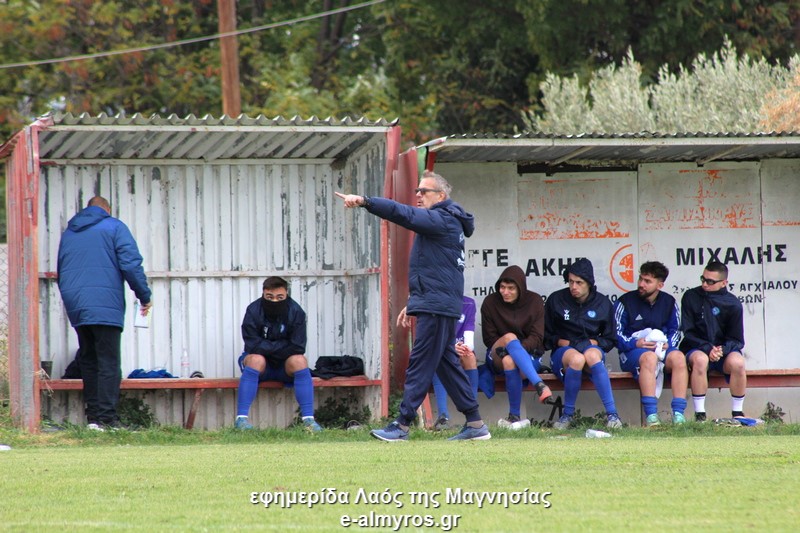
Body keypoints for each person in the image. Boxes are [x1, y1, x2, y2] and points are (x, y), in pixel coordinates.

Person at [336, 170, 490, 441]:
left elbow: (403, 214)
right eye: (417, 190)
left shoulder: (442, 219)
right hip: (436, 303)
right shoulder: (444, 221)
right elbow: (436, 270)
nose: (418, 195)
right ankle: (475, 424)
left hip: (437, 306)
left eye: (424, 191)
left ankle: (402, 424)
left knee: (419, 363)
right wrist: (414, 302)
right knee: (446, 365)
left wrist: (365, 201)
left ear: (440, 196)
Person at [57, 196, 152, 430]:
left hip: (77, 305)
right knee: (108, 362)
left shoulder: (69, 233)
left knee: (89, 360)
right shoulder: (114, 227)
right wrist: (144, 296)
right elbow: (131, 265)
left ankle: (93, 420)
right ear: (107, 209)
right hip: (104, 303)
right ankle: (107, 419)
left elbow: (62, 269)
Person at [544, 258, 623, 430]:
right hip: (564, 352)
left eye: (579, 282)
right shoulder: (556, 300)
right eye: (571, 281)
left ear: (589, 283)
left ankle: (613, 415)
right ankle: (567, 415)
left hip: (591, 349)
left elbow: (611, 339)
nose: (573, 286)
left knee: (592, 355)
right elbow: (545, 336)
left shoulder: (602, 303)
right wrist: (561, 341)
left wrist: (594, 342)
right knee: (577, 359)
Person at [235, 276, 322, 431]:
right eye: (270, 297)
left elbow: (298, 346)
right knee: (255, 359)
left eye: (279, 297)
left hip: (284, 366)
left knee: (300, 361)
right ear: (263, 293)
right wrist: (281, 347)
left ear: (286, 294)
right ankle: (241, 420)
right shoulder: (253, 310)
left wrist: (268, 347)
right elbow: (252, 344)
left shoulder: (296, 311)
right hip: (261, 367)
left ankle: (309, 421)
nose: (274, 301)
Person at [614, 261, 688, 426]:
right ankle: (652, 417)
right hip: (632, 352)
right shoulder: (625, 302)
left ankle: (679, 415)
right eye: (641, 279)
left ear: (660, 285)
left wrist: (669, 344)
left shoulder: (669, 302)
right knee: (649, 358)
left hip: (661, 349)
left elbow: (675, 330)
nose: (641, 284)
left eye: (647, 281)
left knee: (678, 357)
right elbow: (615, 335)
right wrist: (636, 343)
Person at [481, 265, 552, 430]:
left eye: (511, 288)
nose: (505, 292)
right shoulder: (490, 302)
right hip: (496, 352)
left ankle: (514, 417)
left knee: (509, 361)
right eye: (502, 287)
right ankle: (539, 384)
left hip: (528, 353)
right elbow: (489, 339)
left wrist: (514, 350)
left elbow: (537, 337)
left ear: (520, 288)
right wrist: (508, 345)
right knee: (509, 337)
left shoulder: (534, 301)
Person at [399, 296, 479, 431]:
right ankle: (443, 417)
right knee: (439, 355)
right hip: (439, 348)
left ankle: (473, 417)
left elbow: (469, 340)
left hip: (458, 348)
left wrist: (463, 347)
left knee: (469, 357)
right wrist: (451, 347)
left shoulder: (468, 303)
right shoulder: (433, 303)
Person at [679, 261, 746, 421]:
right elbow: (688, 332)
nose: (705, 284)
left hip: (722, 352)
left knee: (738, 363)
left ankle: (737, 413)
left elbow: (737, 340)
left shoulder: (733, 303)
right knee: (700, 360)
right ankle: (700, 415)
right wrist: (708, 348)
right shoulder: (691, 296)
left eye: (710, 281)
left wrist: (722, 349)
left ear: (724, 283)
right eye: (703, 279)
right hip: (696, 348)